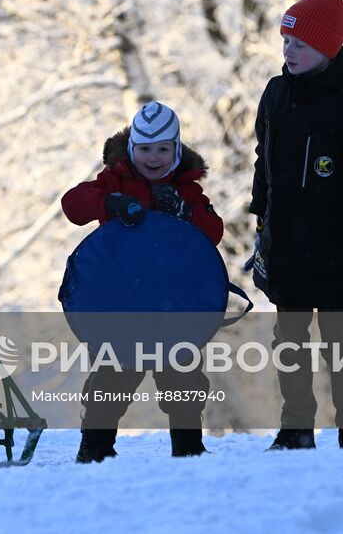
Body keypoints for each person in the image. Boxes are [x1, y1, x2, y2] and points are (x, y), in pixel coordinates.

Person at [247, 0, 343, 451]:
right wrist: (261, 231)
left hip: (338, 257)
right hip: (288, 250)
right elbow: (263, 163)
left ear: (327, 49)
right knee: (289, 344)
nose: (289, 51)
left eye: (301, 44)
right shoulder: (275, 96)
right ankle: (295, 428)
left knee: (341, 346)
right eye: (286, 41)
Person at [61, 101, 225, 462]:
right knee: (110, 381)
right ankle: (95, 450)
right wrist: (111, 204)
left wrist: (183, 215)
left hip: (174, 308)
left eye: (163, 149)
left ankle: (189, 449)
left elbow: (213, 232)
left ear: (176, 150)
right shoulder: (114, 180)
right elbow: (73, 203)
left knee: (183, 382)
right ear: (132, 148)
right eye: (145, 148)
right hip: (123, 305)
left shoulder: (187, 190)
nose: (154, 158)